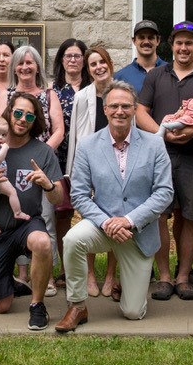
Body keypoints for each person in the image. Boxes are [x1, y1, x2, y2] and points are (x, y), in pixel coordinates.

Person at [56, 82, 174, 332]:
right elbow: (79, 195)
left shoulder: (155, 144)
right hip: (103, 226)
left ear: (134, 109)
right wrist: (107, 222)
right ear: (105, 109)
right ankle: (77, 305)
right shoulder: (88, 145)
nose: (120, 111)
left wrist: (129, 220)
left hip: (137, 232)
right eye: (114, 106)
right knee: (72, 240)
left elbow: (164, 193)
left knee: (133, 312)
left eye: (126, 106)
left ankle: (126, 284)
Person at [135, 21, 193, 302]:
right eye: (179, 42)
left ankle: (183, 275)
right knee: (158, 214)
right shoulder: (156, 75)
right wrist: (163, 136)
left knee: (190, 214)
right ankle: (163, 277)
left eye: (189, 42)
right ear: (170, 45)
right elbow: (140, 111)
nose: (183, 47)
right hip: (159, 153)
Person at [0, 93, 63, 331]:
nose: (23, 119)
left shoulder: (43, 152)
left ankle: (37, 305)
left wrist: (48, 185)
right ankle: (11, 283)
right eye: (18, 113)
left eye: (30, 115)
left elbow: (58, 197)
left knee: (42, 242)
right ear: (9, 113)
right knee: (1, 306)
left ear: (36, 120)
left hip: (27, 224)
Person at [67, 44, 121, 298]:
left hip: (118, 163)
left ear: (109, 64)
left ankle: (111, 275)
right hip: (91, 166)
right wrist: (73, 171)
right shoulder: (82, 97)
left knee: (114, 215)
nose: (99, 67)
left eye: (102, 62)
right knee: (88, 218)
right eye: (93, 64)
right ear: (88, 70)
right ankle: (90, 274)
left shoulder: (121, 93)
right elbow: (75, 136)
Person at [51, 38, 89, 282]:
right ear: (61, 60)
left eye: (77, 56)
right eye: (68, 56)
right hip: (60, 160)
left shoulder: (93, 88)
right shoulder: (53, 91)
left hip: (88, 161)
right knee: (62, 214)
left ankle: (86, 272)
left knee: (90, 214)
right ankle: (66, 269)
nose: (73, 60)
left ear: (84, 60)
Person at [115, 19, 165, 94]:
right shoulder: (120, 77)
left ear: (158, 41)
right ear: (134, 41)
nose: (146, 42)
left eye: (150, 37)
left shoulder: (170, 71)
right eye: (141, 37)